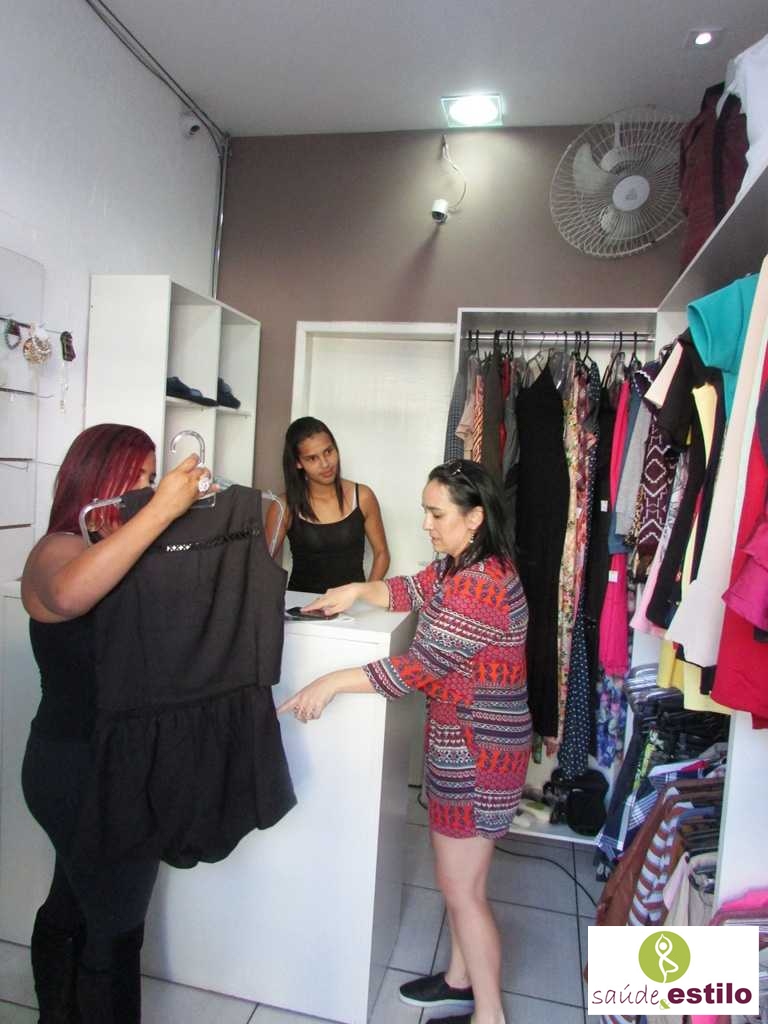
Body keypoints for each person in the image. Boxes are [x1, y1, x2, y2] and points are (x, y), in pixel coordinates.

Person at [278, 458, 532, 1024]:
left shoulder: (480, 586)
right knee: (461, 883)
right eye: (425, 511)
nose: (425, 524)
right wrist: (354, 590)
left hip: (479, 755)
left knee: (463, 890)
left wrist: (329, 682)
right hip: (467, 744)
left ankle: (490, 1014)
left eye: (436, 514)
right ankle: (460, 983)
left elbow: (416, 670)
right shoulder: (462, 565)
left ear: (475, 517)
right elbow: (410, 588)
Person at [20, 423, 212, 1023]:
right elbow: (68, 595)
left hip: (119, 767)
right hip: (76, 769)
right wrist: (161, 511)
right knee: (117, 923)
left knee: (76, 903)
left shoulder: (121, 548)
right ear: (99, 479)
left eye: (153, 480)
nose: (147, 491)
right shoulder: (57, 549)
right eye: (141, 479)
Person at [266, 416, 390, 592]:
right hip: (301, 605)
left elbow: (382, 553)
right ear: (298, 463)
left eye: (328, 451)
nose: (325, 464)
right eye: (312, 458)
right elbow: (261, 564)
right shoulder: (284, 506)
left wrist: (364, 596)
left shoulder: (363, 497)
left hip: (352, 606)